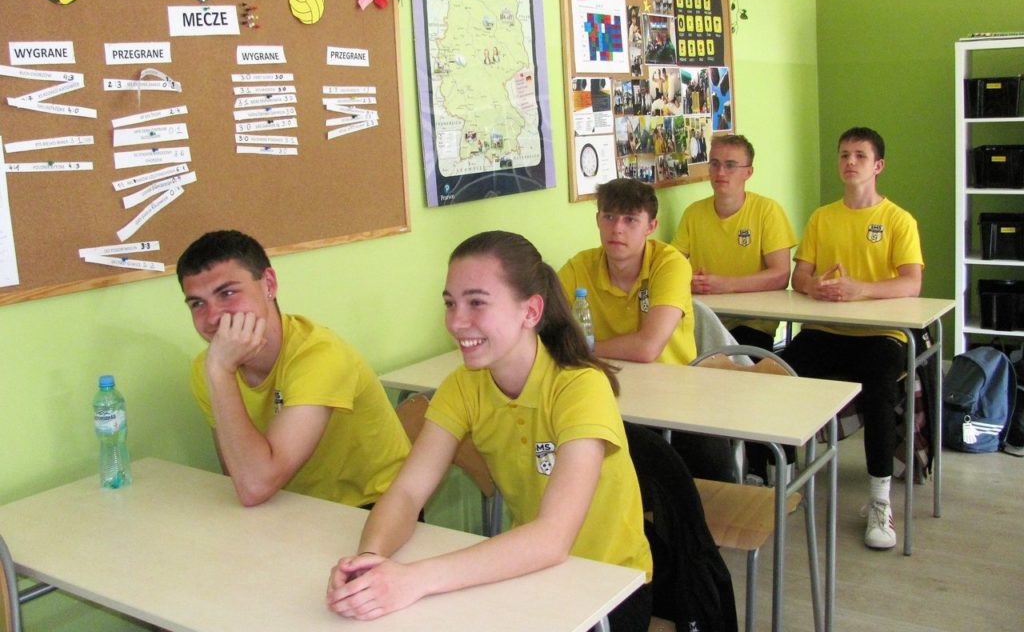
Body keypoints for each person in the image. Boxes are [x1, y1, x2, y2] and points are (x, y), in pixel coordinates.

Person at [326, 231, 653, 630]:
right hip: (523, 573)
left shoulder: (580, 387)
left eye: (476, 302)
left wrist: (415, 579)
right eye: (450, 303)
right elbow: (408, 492)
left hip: (607, 588)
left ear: (530, 312)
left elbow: (553, 538)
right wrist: (370, 562)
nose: (456, 321)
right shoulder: (464, 386)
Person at [177, 230, 409, 507]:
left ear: (269, 284)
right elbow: (240, 474)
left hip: (375, 507)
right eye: (197, 304)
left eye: (227, 293)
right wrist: (220, 371)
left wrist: (220, 372)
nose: (213, 317)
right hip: (287, 505)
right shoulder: (210, 367)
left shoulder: (320, 356)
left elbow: (254, 486)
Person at [781, 127, 924, 550]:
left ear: (878, 165)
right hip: (825, 329)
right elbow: (800, 275)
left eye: (860, 155)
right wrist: (815, 287)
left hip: (881, 334)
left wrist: (861, 289)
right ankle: (783, 478)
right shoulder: (822, 217)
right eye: (844, 154)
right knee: (777, 374)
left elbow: (911, 283)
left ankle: (880, 499)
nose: (850, 162)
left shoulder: (898, 219)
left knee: (878, 391)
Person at [557, 179, 734, 482]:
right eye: (609, 217)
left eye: (630, 220)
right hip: (608, 392)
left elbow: (647, 348)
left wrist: (584, 348)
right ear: (597, 220)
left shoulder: (669, 264)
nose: (617, 229)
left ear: (651, 226)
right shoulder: (579, 267)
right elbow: (545, 328)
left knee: (708, 462)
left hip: (676, 396)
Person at [671, 134, 796, 351]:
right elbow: (672, 264)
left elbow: (780, 275)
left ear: (748, 172)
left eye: (730, 165)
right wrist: (688, 281)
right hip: (704, 318)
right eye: (715, 164)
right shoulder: (693, 213)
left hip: (752, 322)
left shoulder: (767, 211)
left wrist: (725, 285)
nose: (720, 172)